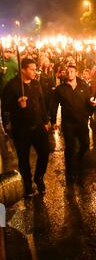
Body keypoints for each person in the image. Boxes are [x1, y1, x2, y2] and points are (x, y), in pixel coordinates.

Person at [1, 58, 50, 195]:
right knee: (23, 159)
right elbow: (4, 106)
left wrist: (46, 121)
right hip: (21, 129)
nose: (35, 72)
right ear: (23, 69)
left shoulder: (36, 84)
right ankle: (27, 184)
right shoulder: (12, 86)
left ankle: (39, 177)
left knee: (45, 152)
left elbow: (42, 102)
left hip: (38, 126)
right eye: (32, 69)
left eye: (36, 69)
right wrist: (17, 105)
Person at [50, 64, 96, 184]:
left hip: (82, 122)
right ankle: (70, 172)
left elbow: (88, 103)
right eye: (68, 72)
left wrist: (92, 107)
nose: (70, 74)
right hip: (68, 124)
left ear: (76, 73)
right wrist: (53, 121)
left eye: (72, 71)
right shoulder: (61, 89)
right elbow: (54, 105)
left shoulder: (84, 86)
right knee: (70, 148)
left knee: (85, 144)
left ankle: (79, 160)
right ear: (66, 73)